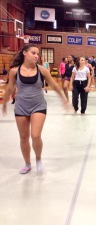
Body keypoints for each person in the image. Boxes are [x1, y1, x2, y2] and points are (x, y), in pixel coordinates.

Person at [1, 44, 68, 174]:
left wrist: (64, 99)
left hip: (38, 106)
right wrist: (4, 102)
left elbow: (53, 85)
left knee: (35, 135)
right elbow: (10, 88)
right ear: (25, 53)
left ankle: (38, 158)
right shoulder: (15, 71)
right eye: (33, 53)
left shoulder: (42, 70)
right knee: (24, 137)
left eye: (37, 54)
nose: (36, 56)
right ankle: (27, 163)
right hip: (21, 106)